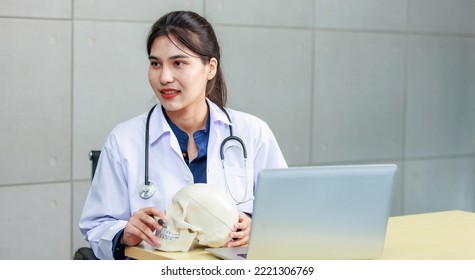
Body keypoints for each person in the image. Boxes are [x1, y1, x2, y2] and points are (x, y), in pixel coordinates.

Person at [79, 10, 287, 260]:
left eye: (178, 63)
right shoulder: (124, 140)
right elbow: (96, 225)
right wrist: (124, 233)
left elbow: (284, 214)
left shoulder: (252, 133)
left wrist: (257, 227)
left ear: (210, 68)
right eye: (156, 63)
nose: (164, 77)